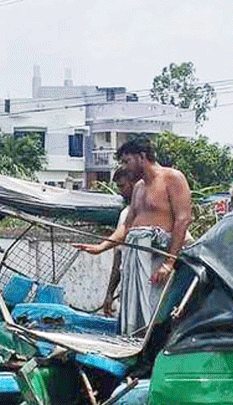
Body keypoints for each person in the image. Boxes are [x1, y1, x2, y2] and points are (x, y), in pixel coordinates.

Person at [76, 136, 193, 336]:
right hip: (136, 257)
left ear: (142, 156)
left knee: (154, 313)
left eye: (127, 161)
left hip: (159, 258)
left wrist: (169, 262)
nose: (125, 166)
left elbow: (183, 220)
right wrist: (102, 247)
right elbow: (127, 226)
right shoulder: (138, 187)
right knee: (133, 314)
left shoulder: (172, 178)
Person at [100, 167, 138, 317]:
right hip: (128, 287)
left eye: (123, 186)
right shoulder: (125, 214)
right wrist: (110, 293)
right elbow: (118, 257)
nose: (121, 192)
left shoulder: (155, 211)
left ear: (136, 184)